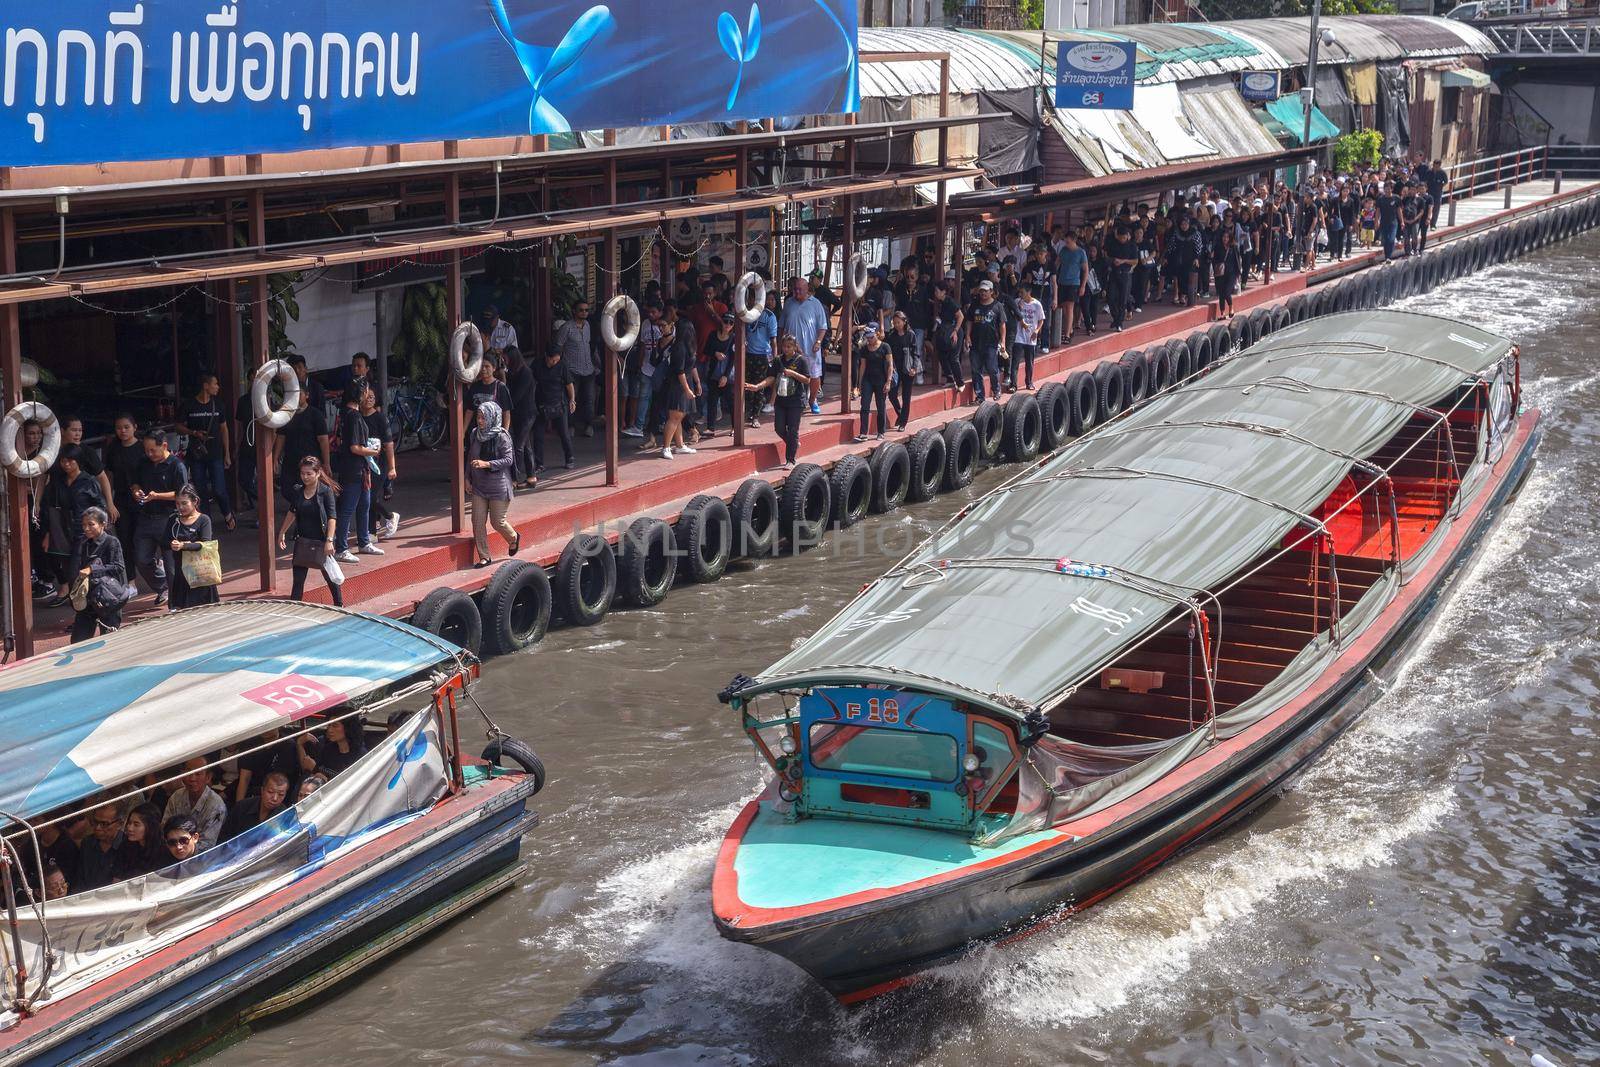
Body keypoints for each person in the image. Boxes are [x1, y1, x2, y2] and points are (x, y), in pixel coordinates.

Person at [130, 431, 187, 607]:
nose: (149, 454)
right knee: (141, 558)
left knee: (171, 565)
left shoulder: (176, 466)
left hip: (168, 518)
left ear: (164, 446)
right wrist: (136, 491)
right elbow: (134, 482)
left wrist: (157, 496)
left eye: (153, 450)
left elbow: (182, 494)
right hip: (146, 517)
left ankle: (175, 605)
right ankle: (161, 586)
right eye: (146, 450)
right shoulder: (144, 462)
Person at [278, 457, 343, 606]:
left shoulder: (325, 492)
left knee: (331, 577)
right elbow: (292, 511)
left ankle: (339, 605)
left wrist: (329, 540)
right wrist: (282, 531)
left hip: (322, 540)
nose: (305, 477)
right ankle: (294, 608)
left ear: (318, 473)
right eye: (303, 474)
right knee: (298, 580)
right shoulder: (298, 491)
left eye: (309, 474)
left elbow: (332, 517)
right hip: (303, 541)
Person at [175, 374, 235, 531]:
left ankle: (228, 514)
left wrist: (227, 453)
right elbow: (178, 427)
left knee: (219, 489)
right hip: (196, 454)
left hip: (215, 453)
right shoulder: (189, 405)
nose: (218, 387)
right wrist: (193, 432)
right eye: (215, 384)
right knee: (200, 490)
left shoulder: (219, 404)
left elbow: (224, 429)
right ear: (205, 386)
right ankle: (206, 523)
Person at [332, 380, 383, 564]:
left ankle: (364, 541)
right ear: (359, 395)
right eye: (366, 392)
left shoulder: (348, 413)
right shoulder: (352, 415)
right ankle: (341, 548)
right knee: (348, 508)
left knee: (364, 504)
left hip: (359, 468)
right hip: (353, 468)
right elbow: (354, 447)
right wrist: (372, 451)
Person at [466, 400, 518, 567]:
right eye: (478, 417)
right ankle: (484, 556)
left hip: (499, 487)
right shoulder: (475, 434)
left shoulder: (502, 436)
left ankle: (513, 538)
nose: (480, 421)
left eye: (483, 418)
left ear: (492, 417)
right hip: (479, 486)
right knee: (477, 521)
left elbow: (508, 460)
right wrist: (467, 478)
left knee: (497, 522)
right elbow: (470, 457)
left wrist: (487, 464)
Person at [70, 507, 129, 642]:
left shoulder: (112, 542)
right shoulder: (83, 543)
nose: (86, 528)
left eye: (91, 524)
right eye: (84, 525)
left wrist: (92, 569)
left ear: (103, 524)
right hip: (89, 597)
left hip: (109, 598)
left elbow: (118, 567)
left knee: (109, 640)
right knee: (78, 641)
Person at [750, 334, 810, 468]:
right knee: (779, 428)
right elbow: (771, 378)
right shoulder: (778, 360)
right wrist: (758, 386)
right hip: (781, 399)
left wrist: (793, 373)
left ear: (794, 347)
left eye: (789, 347)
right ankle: (792, 442)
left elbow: (807, 379)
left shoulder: (801, 360)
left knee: (793, 429)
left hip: (796, 400)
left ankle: (790, 459)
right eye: (784, 346)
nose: (786, 349)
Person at [162, 485, 217, 611]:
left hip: (201, 573)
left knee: (205, 611)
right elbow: (164, 541)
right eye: (177, 504)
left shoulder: (204, 520)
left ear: (195, 501)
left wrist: (184, 545)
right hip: (182, 575)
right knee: (182, 611)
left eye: (184, 503)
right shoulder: (173, 520)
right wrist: (172, 544)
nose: (180, 507)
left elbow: (204, 544)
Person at [779, 277, 829, 415]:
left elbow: (823, 326)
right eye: (795, 289)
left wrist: (819, 342)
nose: (796, 292)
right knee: (790, 375)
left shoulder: (816, 303)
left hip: (810, 348)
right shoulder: (789, 303)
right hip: (791, 349)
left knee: (814, 375)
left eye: (799, 289)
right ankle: (793, 402)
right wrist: (779, 345)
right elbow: (781, 326)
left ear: (807, 289)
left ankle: (812, 400)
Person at [359, 386, 399, 539]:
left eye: (372, 397)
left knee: (370, 498)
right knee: (366, 498)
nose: (369, 399)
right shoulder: (357, 417)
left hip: (378, 465)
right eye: (366, 396)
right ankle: (373, 531)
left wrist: (392, 467)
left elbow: (389, 444)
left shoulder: (381, 418)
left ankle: (388, 518)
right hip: (362, 464)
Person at [554, 302, 598, 437]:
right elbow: (558, 348)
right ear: (574, 311)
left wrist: (596, 364)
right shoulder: (566, 328)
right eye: (581, 310)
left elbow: (590, 346)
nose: (584, 312)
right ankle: (570, 426)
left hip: (588, 369)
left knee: (590, 399)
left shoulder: (588, 326)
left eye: (586, 310)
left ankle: (589, 425)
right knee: (571, 399)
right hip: (572, 370)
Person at [163, 758, 228, 850]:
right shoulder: (176, 797)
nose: (192, 778)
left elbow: (208, 845)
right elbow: (165, 829)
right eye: (189, 773)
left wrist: (182, 849)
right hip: (173, 849)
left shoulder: (216, 805)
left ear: (208, 777)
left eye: (198, 774)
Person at [531, 345, 577, 472]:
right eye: (553, 360)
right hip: (542, 404)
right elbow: (532, 382)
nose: (554, 362)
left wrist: (572, 399)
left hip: (559, 404)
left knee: (564, 434)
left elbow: (569, 384)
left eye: (557, 360)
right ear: (547, 356)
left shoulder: (562, 366)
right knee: (538, 436)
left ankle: (570, 458)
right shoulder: (537, 364)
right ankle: (539, 464)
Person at [623, 302, 666, 439]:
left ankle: (661, 422)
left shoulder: (667, 325)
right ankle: (639, 426)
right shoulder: (645, 324)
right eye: (649, 312)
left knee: (661, 397)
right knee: (644, 396)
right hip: (646, 366)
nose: (651, 314)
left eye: (654, 312)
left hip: (661, 368)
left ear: (660, 312)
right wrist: (640, 363)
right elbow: (642, 344)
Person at [659, 318, 699, 461]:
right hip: (677, 385)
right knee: (674, 417)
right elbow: (679, 371)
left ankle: (680, 445)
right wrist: (688, 389)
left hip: (685, 382)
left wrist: (697, 382)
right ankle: (666, 447)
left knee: (680, 416)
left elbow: (692, 367)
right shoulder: (680, 346)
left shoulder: (687, 345)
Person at [105, 412, 143, 558]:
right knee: (124, 538)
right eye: (119, 428)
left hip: (141, 499)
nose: (123, 431)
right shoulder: (113, 449)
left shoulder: (142, 448)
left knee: (140, 539)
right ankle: (131, 579)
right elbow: (108, 475)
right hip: (120, 498)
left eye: (126, 427)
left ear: (135, 428)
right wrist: (109, 502)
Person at [964, 280, 1007, 403]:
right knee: (976, 370)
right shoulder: (974, 305)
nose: (983, 293)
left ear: (991, 292)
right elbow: (969, 321)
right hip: (976, 343)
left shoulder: (998, 306)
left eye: (985, 291)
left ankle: (996, 389)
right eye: (981, 290)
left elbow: (1002, 325)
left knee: (992, 369)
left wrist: (1003, 341)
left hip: (991, 343)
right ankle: (980, 396)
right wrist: (967, 336)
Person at [852, 325, 894, 442]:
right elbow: (863, 366)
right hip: (868, 380)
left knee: (881, 406)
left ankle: (881, 432)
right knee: (864, 405)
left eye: (871, 337)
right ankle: (863, 432)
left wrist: (888, 381)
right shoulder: (865, 349)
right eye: (868, 337)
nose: (870, 340)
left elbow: (890, 365)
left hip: (881, 380)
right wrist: (859, 384)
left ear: (877, 334)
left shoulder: (885, 347)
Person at [503, 346, 538, 487]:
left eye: (506, 359)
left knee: (518, 446)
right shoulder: (512, 372)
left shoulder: (525, 373)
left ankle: (514, 478)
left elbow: (516, 396)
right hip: (517, 413)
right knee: (526, 445)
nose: (504, 362)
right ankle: (531, 476)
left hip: (527, 413)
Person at [221, 771, 290, 841]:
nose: (275, 798)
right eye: (270, 792)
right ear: (262, 790)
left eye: (281, 794)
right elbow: (224, 837)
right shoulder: (242, 807)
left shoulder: (285, 816)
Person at [702, 313, 737, 435]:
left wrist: (726, 376)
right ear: (721, 322)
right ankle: (711, 428)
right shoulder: (713, 335)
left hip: (727, 375)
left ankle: (735, 427)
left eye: (731, 323)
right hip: (713, 372)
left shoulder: (734, 338)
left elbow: (733, 359)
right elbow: (705, 350)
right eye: (726, 321)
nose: (728, 325)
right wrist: (715, 353)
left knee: (731, 402)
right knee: (712, 401)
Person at [298, 717, 366, 778]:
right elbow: (307, 767)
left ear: (348, 728)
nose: (330, 730)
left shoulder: (360, 755)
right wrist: (299, 744)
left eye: (335, 726)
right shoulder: (328, 749)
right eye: (329, 725)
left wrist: (316, 769)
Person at [885, 310, 918, 431]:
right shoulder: (892, 336)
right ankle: (900, 413)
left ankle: (903, 422)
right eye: (894, 323)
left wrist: (914, 367)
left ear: (904, 322)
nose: (896, 325)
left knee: (906, 396)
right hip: (895, 368)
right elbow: (888, 353)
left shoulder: (911, 334)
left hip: (908, 368)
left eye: (898, 322)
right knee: (892, 394)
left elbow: (915, 353)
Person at [1010, 283, 1045, 392]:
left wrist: (1037, 330)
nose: (1021, 295)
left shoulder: (1037, 304)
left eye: (1023, 293)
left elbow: (1041, 319)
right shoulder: (1016, 302)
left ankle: (1029, 382)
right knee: (1015, 361)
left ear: (1029, 292)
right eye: (1019, 293)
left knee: (1029, 362)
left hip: (1030, 336)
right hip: (1019, 336)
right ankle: (1013, 384)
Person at [932, 277, 964, 388]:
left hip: (955, 332)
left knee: (953, 357)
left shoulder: (950, 302)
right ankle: (950, 378)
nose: (935, 293)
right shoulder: (940, 303)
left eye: (937, 291)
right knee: (942, 354)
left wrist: (955, 331)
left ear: (943, 291)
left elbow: (960, 316)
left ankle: (960, 382)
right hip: (945, 331)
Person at [119, 802, 167, 876]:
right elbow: (117, 877)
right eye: (129, 823)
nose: (129, 828)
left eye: (136, 825)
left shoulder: (163, 851)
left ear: (150, 827)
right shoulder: (125, 845)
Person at [1055, 233, 1088, 341]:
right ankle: (1069, 328)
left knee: (1069, 307)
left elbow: (1085, 269)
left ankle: (1067, 334)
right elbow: (1057, 263)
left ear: (1074, 240)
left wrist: (1083, 286)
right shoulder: (1064, 250)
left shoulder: (1081, 252)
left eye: (1068, 242)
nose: (1066, 244)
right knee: (1064, 307)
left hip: (1074, 283)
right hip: (1062, 281)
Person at [1214, 228, 1241, 319]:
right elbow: (1215, 260)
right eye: (1224, 237)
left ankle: (1231, 306)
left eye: (1227, 237)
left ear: (1230, 238)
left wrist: (1238, 273)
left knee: (1227, 292)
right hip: (1221, 273)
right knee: (1221, 293)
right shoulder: (1218, 247)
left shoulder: (1234, 247)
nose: (1225, 239)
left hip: (1231, 273)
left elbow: (1237, 260)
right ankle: (1222, 313)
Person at [1376, 182, 1403, 261]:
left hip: (1393, 222)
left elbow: (1399, 210)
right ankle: (1387, 256)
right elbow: (1377, 211)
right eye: (1386, 189)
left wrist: (1402, 221)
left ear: (1392, 189)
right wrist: (1376, 221)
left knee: (1391, 239)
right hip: (1383, 222)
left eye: (1389, 189)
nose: (1387, 190)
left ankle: (1388, 256)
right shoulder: (1380, 199)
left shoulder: (1396, 198)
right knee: (1385, 240)